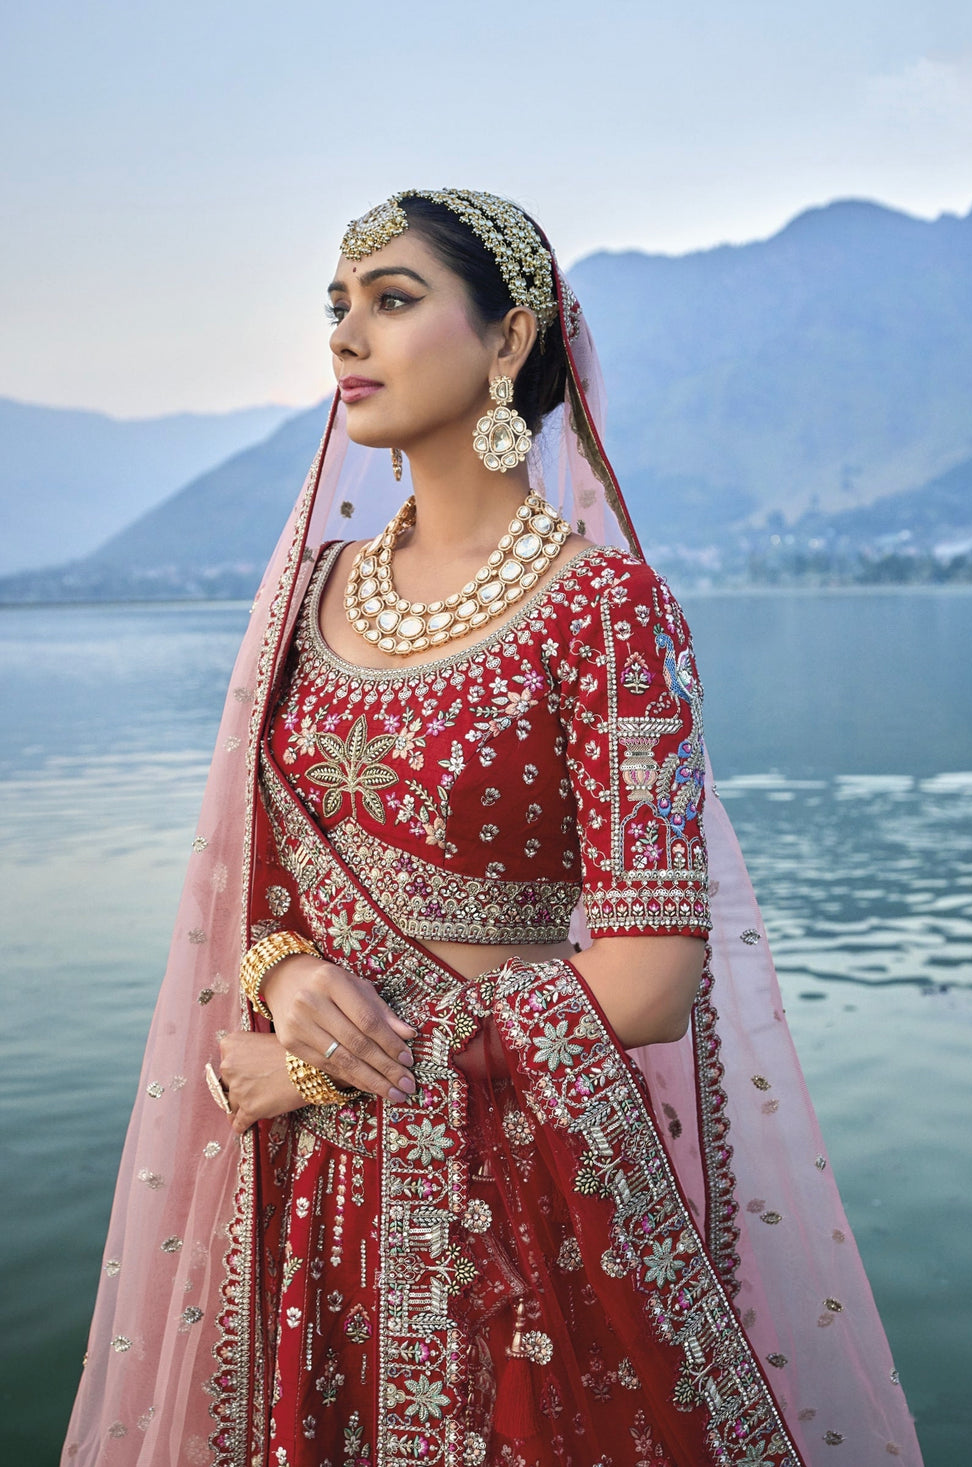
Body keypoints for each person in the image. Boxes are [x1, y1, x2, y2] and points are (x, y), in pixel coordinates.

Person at [62, 190, 923, 1467]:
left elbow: (646, 982)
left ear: (510, 339)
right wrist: (283, 973)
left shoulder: (608, 611)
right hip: (310, 1198)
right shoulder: (307, 595)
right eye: (337, 308)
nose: (347, 338)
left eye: (393, 302)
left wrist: (318, 1063)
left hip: (523, 1201)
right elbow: (259, 891)